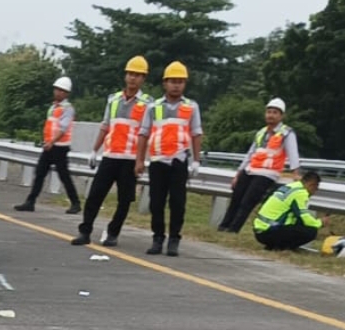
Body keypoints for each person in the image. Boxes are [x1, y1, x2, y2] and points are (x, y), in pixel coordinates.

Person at [71, 56, 153, 247]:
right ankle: (85, 231)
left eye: (138, 75)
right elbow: (105, 125)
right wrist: (94, 150)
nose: (133, 78)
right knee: (95, 196)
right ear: (125, 76)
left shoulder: (147, 103)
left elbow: (145, 133)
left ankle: (113, 233)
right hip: (110, 156)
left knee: (124, 200)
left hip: (130, 159)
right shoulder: (113, 100)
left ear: (143, 79)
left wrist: (140, 160)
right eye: (130, 74)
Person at [135, 61, 203, 257]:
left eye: (180, 82)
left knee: (178, 203)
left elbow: (196, 133)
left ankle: (174, 239)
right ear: (165, 83)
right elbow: (143, 133)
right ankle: (157, 238)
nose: (176, 85)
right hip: (158, 161)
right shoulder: (153, 107)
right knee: (156, 203)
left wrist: (196, 160)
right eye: (173, 81)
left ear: (185, 84)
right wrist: (140, 160)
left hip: (179, 161)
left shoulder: (191, 107)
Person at [217, 98, 301, 233]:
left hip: (268, 173)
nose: (271, 115)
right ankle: (223, 226)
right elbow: (250, 153)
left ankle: (233, 229)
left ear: (281, 116)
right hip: (251, 170)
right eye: (269, 112)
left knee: (247, 201)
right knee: (236, 198)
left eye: (275, 112)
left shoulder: (286, 133)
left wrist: (295, 173)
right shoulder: (261, 132)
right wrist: (239, 173)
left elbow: (293, 154)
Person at [14, 76, 81, 214]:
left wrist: (52, 142)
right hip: (49, 146)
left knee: (64, 176)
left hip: (60, 147)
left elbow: (62, 129)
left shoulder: (67, 109)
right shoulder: (52, 107)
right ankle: (30, 202)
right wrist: (47, 142)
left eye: (61, 90)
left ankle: (76, 203)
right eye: (56, 89)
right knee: (39, 173)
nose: (57, 92)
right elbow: (50, 126)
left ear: (66, 93)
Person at [252, 170, 326, 251]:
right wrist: (320, 223)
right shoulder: (300, 193)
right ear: (312, 185)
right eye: (316, 188)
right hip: (269, 232)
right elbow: (304, 217)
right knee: (311, 231)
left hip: (260, 230)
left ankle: (273, 246)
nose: (315, 191)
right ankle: (283, 247)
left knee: (299, 223)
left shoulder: (291, 186)